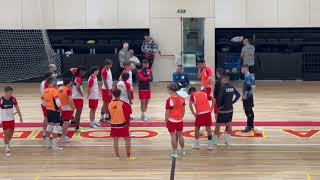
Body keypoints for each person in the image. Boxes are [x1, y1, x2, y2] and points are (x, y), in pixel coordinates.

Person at [108, 89, 136, 161]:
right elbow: (128, 116)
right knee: (127, 140)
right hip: (123, 125)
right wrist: (128, 125)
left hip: (113, 125)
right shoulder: (124, 104)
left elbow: (110, 116)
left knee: (115, 141)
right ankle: (128, 156)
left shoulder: (109, 104)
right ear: (120, 94)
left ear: (113, 95)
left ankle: (117, 157)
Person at [213, 75, 240, 145]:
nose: (221, 81)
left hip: (223, 110)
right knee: (229, 124)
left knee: (217, 125)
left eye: (222, 79)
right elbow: (238, 95)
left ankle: (216, 141)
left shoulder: (222, 88)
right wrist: (232, 102)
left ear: (225, 80)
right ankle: (228, 140)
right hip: (230, 109)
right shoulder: (231, 87)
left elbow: (219, 99)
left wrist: (219, 106)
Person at [0, 86, 23, 157]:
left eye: (11, 92)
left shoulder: (13, 99)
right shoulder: (1, 100)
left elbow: (17, 108)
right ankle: (7, 147)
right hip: (5, 120)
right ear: (6, 92)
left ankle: (8, 142)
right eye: (10, 93)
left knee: (10, 134)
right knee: (6, 133)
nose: (11, 94)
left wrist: (20, 117)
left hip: (12, 119)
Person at [165, 83, 186, 158]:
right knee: (180, 135)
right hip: (180, 120)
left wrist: (166, 121)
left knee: (173, 136)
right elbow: (183, 110)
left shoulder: (169, 100)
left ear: (171, 90)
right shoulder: (182, 98)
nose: (167, 90)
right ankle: (183, 151)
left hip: (171, 120)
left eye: (168, 89)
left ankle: (175, 152)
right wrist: (180, 117)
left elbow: (167, 112)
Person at [42, 77, 63, 151]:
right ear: (52, 82)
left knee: (49, 126)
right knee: (56, 127)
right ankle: (54, 146)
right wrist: (60, 109)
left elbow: (43, 102)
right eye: (55, 81)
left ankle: (48, 145)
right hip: (54, 111)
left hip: (48, 110)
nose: (56, 83)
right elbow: (57, 101)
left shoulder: (45, 91)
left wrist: (48, 106)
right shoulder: (54, 90)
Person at [58, 78, 75, 143]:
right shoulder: (68, 90)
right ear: (68, 83)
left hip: (61, 107)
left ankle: (63, 136)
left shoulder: (60, 88)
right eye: (71, 82)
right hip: (67, 107)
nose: (71, 84)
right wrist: (73, 107)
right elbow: (70, 100)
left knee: (65, 122)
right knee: (66, 123)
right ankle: (63, 137)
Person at [72, 66, 87, 133]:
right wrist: (82, 94)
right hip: (78, 98)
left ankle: (76, 125)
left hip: (75, 97)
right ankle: (77, 127)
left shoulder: (76, 77)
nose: (84, 73)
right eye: (83, 72)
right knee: (78, 113)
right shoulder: (79, 78)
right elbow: (78, 87)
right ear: (81, 72)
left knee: (77, 112)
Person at [241, 64, 255, 132]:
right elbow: (253, 86)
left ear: (245, 69)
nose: (241, 70)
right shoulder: (252, 76)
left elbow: (248, 87)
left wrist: (245, 95)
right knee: (250, 111)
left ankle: (249, 127)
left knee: (248, 111)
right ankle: (251, 126)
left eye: (242, 69)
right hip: (250, 96)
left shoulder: (247, 76)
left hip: (247, 97)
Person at [40, 72, 53, 139]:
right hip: (46, 103)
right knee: (47, 118)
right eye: (52, 76)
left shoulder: (43, 82)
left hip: (44, 102)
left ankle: (45, 133)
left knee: (47, 118)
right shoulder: (46, 83)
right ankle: (46, 133)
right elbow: (47, 93)